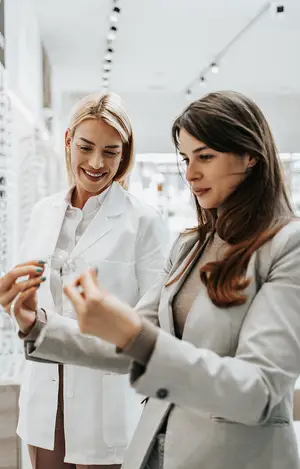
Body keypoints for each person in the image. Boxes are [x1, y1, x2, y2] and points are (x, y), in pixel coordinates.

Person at [3, 90, 300, 469]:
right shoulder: (190, 246)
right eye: (185, 158)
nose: (191, 173)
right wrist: (35, 324)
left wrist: (134, 335)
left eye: (205, 157)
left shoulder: (288, 247)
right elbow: (130, 341)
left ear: (251, 155)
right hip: (165, 452)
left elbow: (259, 391)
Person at [0, 92, 167, 469]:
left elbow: (155, 329)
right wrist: (14, 304)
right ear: (67, 141)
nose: (96, 163)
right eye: (86, 147)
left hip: (106, 402)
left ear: (124, 154)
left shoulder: (144, 222)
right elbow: (29, 305)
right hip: (45, 396)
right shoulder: (43, 213)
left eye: (110, 151)